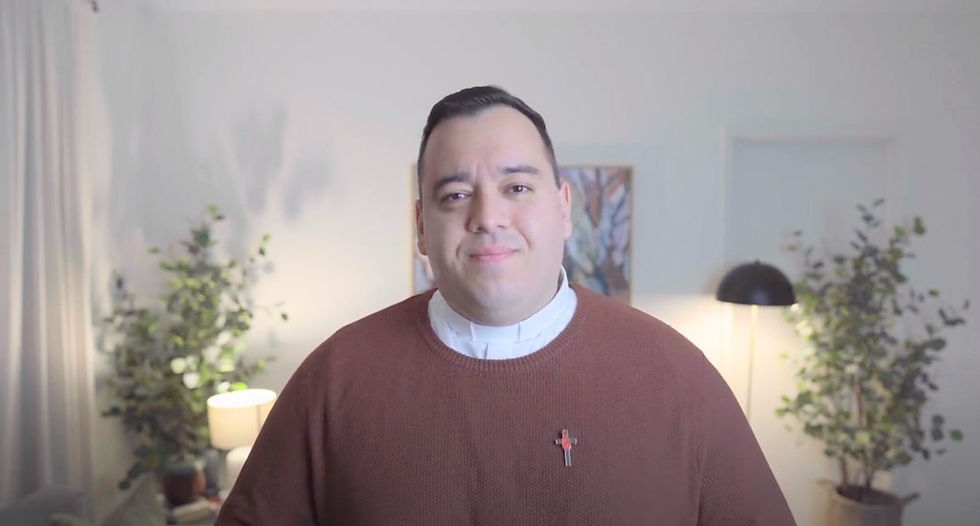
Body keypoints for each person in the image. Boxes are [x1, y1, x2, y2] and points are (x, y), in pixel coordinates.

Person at [215, 86, 796, 525]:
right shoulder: (336, 377)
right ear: (422, 226)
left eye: (517, 187)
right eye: (456, 194)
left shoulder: (677, 374)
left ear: (565, 208)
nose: (488, 216)